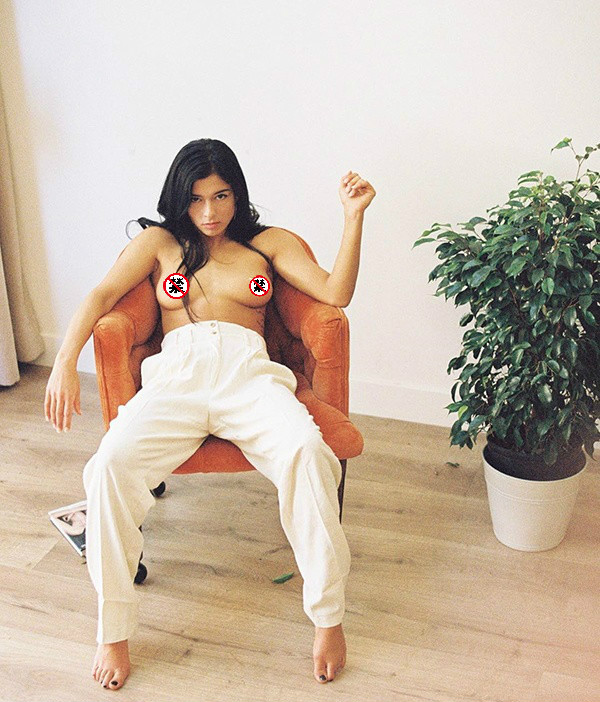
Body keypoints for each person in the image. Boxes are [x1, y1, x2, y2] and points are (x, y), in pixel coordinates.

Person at [44, 138, 375, 691]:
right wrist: (63, 362)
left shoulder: (267, 245)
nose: (209, 211)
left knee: (307, 452)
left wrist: (352, 217)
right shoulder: (160, 244)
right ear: (180, 198)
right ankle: (114, 631)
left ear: (237, 194)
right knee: (108, 465)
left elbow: (334, 292)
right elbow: (101, 296)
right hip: (178, 374)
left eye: (220, 196)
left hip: (250, 374)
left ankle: (328, 618)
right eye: (196, 198)